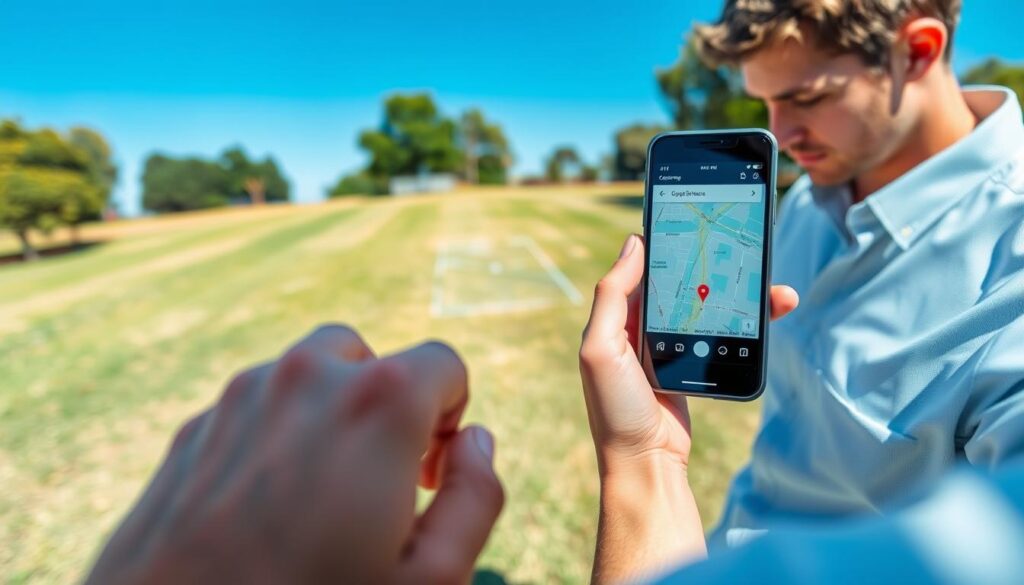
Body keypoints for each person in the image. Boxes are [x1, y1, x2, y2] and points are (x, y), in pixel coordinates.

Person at [673, 0, 1024, 552]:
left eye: (807, 98)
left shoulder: (1014, 259)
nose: (779, 133)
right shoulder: (802, 203)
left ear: (917, 52)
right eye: (764, 102)